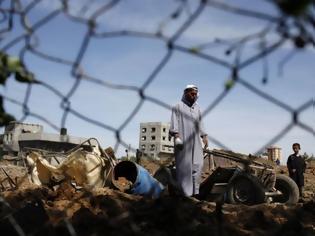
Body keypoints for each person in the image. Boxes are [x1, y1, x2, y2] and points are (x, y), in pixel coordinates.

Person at [169, 84, 208, 197]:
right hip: (183, 141)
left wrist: (204, 136)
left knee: (198, 164)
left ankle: (195, 193)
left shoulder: (198, 108)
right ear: (186, 93)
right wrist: (176, 136)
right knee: (185, 168)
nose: (194, 96)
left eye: (195, 94)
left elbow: (201, 123)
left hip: (195, 141)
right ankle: (186, 195)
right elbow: (174, 122)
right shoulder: (178, 106)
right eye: (192, 93)